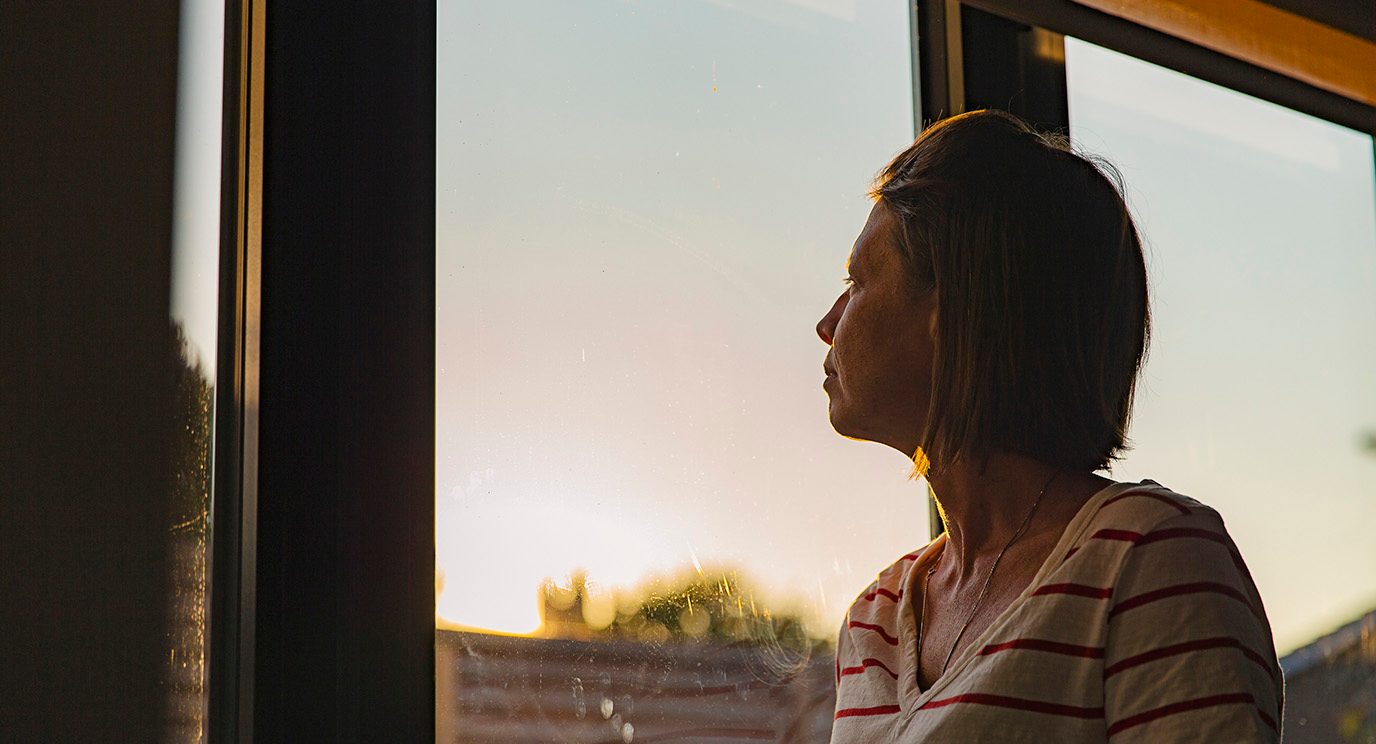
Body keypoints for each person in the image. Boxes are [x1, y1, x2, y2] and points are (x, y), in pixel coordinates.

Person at [815, 110, 1282, 742]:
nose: (828, 321)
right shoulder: (876, 620)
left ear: (951, 309)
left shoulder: (1149, 561)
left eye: (857, 280)